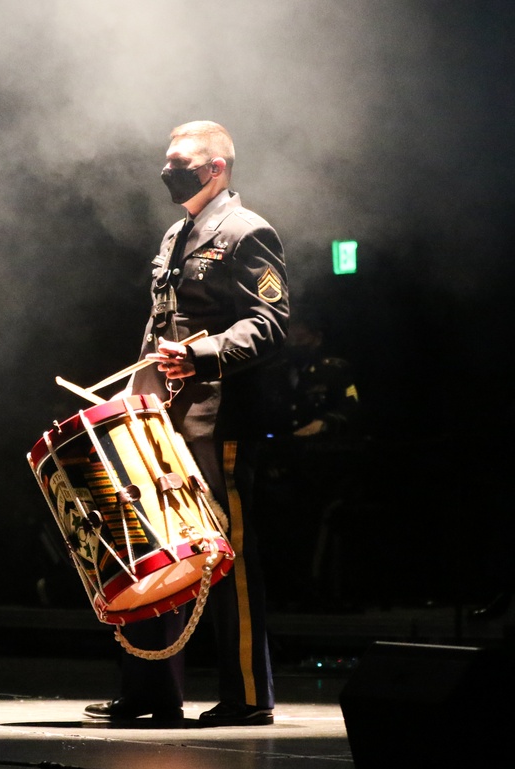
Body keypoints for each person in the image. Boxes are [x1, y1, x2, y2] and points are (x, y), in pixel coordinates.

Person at [84, 120, 289, 726]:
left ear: (216, 167)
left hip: (217, 421)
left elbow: (270, 322)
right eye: (168, 160)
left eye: (181, 161)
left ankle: (249, 695)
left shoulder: (248, 232)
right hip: (165, 418)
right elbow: (161, 323)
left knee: (231, 558)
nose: (168, 171)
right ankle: (151, 692)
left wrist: (200, 354)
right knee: (155, 549)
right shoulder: (178, 234)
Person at [255, 312, 363, 610]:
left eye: (301, 333)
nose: (294, 338)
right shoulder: (278, 371)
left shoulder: (333, 370)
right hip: (285, 458)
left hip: (323, 460)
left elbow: (350, 408)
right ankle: (285, 589)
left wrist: (325, 423)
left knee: (315, 518)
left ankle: (316, 588)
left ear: (316, 336)